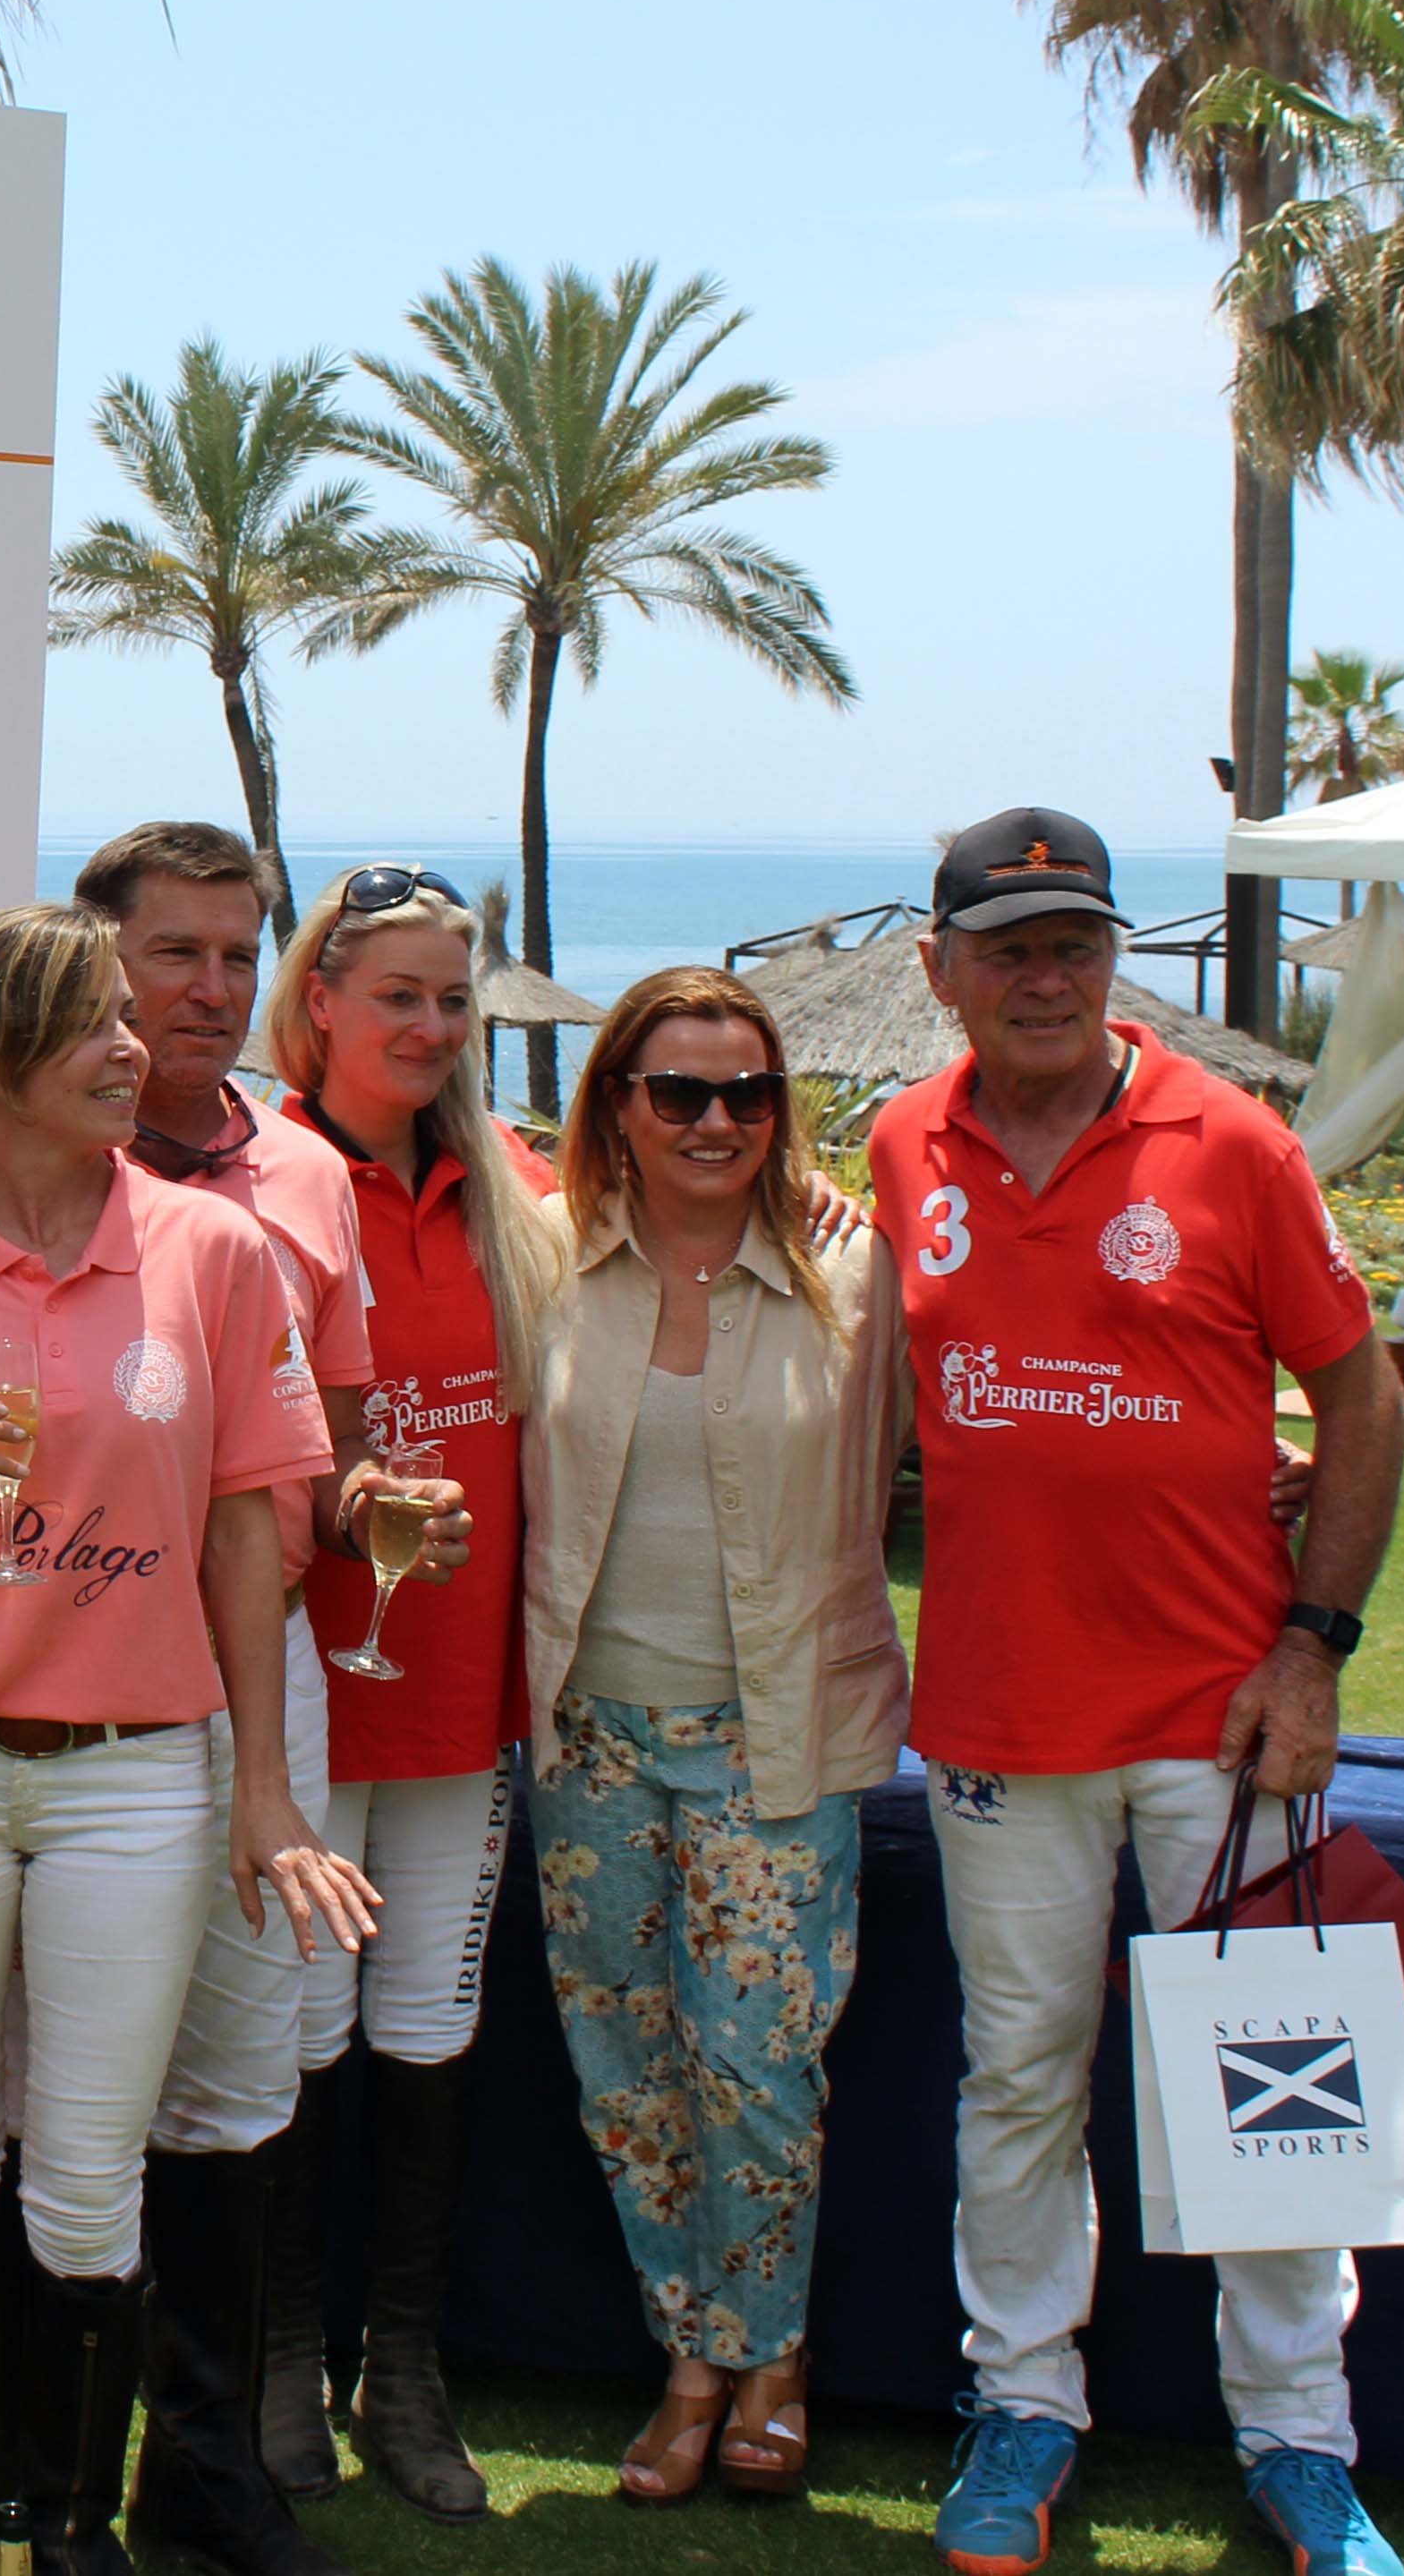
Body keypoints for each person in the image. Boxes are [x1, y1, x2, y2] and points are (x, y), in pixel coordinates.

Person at [0, 823, 451, 2576]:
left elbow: (293, 1479)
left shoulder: (288, 1190)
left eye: (230, 955)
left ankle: (185, 2471)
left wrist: (366, 1519)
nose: (189, 998)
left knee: (212, 2093)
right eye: (158, 964)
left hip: (213, 1698)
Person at [881, 813, 1404, 2576]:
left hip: (1225, 1717)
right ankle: (1023, 2403)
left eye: (1075, 944)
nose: (1045, 978)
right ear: (942, 969)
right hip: (998, 1718)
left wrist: (1311, 1650)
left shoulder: (1232, 1141)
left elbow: (1365, 1402)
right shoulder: (901, 1138)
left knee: (1272, 2075)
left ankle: (1301, 2442)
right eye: (1008, 948)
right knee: (1020, 2078)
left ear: (1113, 958)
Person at [510, 967, 906, 2508]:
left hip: (775, 1730)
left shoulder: (851, 1266)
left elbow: (988, 1423)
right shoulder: (544, 1256)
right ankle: (694, 2362)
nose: (716, 1121)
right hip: (586, 1734)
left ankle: (771, 2361)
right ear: (618, 1102)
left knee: (756, 2066)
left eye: (749, 1094)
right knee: (626, 2067)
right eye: (679, 1091)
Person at [256, 865, 564, 2526]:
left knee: (429, 2035)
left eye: (455, 999)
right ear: (319, 1002)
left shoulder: (517, 1183)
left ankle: (405, 2365)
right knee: (299, 2039)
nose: (433, 1026)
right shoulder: (255, 1174)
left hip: (460, 1689)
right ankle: (280, 2355)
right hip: (303, 1688)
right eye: (399, 996)